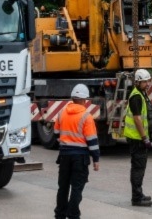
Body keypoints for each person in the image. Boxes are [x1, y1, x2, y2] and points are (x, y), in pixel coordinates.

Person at [54, 84, 100, 219]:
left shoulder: (62, 112)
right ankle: (73, 214)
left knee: (63, 187)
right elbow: (92, 141)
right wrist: (96, 159)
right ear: (84, 100)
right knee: (77, 187)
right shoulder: (86, 116)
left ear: (73, 98)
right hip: (80, 157)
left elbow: (57, 132)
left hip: (64, 155)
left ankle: (60, 214)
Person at [124, 68, 152, 207]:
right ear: (138, 82)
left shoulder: (141, 93)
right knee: (138, 168)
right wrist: (144, 138)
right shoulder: (136, 96)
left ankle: (139, 193)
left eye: (148, 81)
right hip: (137, 139)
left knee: (140, 167)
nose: (148, 84)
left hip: (139, 138)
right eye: (145, 82)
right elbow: (137, 119)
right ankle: (136, 198)